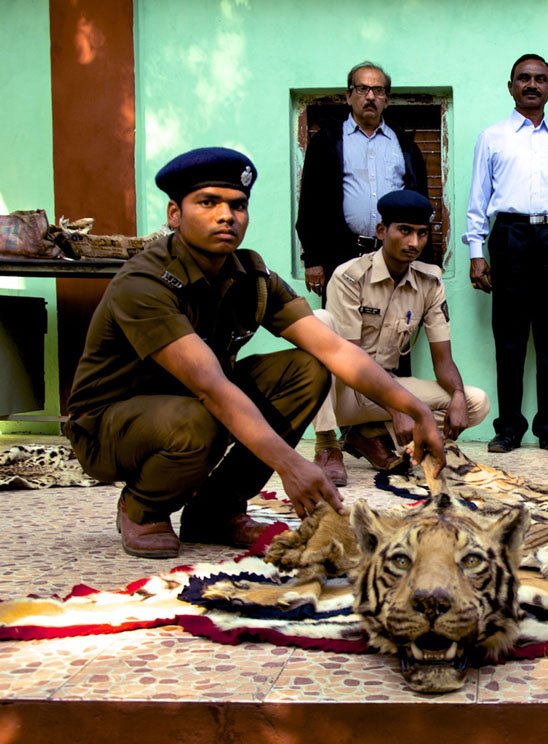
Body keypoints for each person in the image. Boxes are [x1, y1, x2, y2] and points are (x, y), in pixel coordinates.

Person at [64, 147, 445, 560]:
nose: (226, 216)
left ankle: (216, 510)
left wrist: (414, 410)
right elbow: (210, 387)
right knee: (197, 421)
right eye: (208, 203)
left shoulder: (250, 277)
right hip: (109, 426)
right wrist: (290, 464)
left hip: (192, 403)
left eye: (238, 205)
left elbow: (334, 349)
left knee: (308, 370)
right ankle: (143, 508)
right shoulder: (145, 282)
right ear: (174, 214)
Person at [464, 53, 548, 455]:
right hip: (510, 236)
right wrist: (476, 252)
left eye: (540, 79)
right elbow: (477, 199)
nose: (532, 85)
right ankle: (508, 428)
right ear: (511, 87)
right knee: (510, 339)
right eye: (524, 78)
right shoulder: (492, 137)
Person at [311, 190, 489, 484]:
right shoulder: (349, 276)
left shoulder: (429, 282)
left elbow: (443, 360)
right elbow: (352, 361)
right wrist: (396, 408)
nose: (414, 243)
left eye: (422, 233)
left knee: (475, 402)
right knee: (319, 322)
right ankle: (327, 445)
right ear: (382, 231)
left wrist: (457, 396)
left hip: (386, 387)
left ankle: (368, 434)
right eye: (405, 231)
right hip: (342, 391)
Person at [295, 61, 430, 301]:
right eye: (362, 89)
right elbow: (310, 203)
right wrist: (312, 260)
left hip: (395, 257)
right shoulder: (327, 141)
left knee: (395, 321)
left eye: (378, 90)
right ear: (348, 96)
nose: (370, 97)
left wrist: (420, 257)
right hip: (341, 256)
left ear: (386, 100)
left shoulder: (404, 144)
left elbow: (419, 204)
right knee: (341, 324)